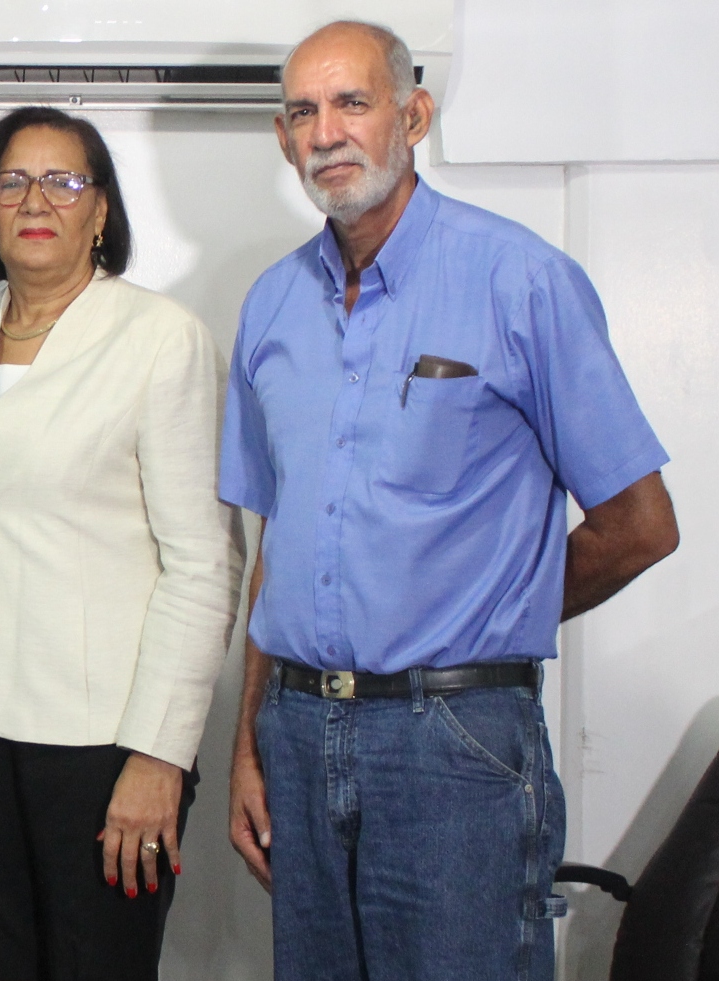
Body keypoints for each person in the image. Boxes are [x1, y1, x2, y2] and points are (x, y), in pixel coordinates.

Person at [222, 21, 678, 981]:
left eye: (353, 102)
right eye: (303, 111)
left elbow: (640, 528)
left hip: (454, 745)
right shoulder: (268, 306)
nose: (325, 131)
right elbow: (279, 544)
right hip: (298, 737)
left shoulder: (520, 279)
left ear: (413, 115)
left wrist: (482, 612)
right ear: (280, 137)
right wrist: (248, 748)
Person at [0, 107, 244, 980]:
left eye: (64, 180)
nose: (36, 198)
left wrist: (160, 754)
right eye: (11, 180)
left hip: (102, 739)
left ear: (100, 210)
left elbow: (204, 563)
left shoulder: (160, 338)